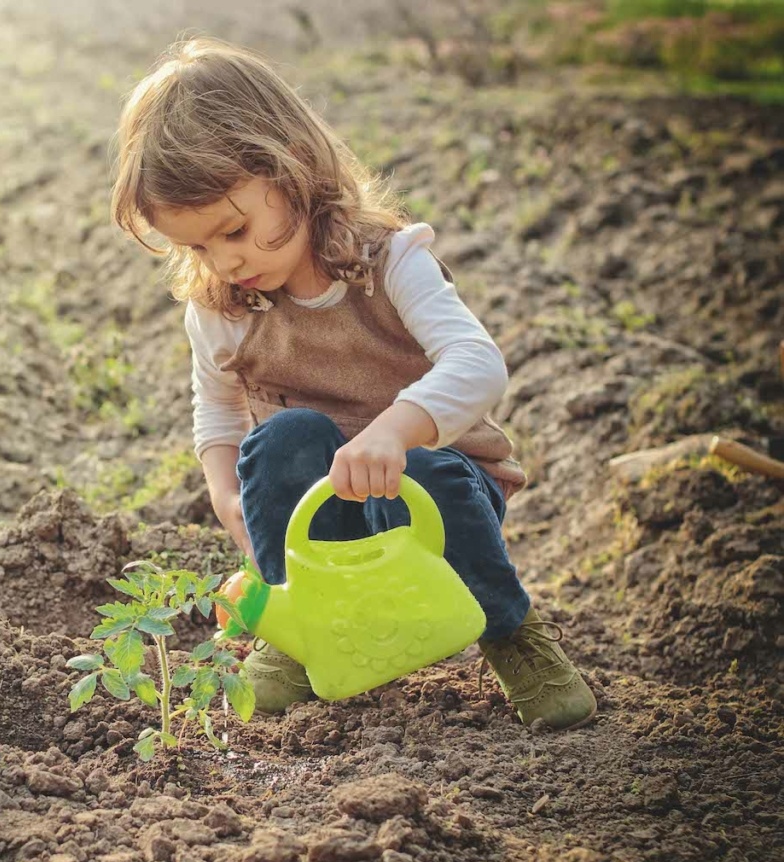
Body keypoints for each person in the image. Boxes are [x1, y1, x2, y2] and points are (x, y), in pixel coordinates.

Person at [108, 36, 596, 730]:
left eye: (236, 229)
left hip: (431, 500)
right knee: (281, 440)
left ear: (292, 169)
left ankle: (513, 635)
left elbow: (479, 362)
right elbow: (216, 412)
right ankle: (300, 633)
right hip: (319, 516)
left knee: (434, 471)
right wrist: (225, 495)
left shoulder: (390, 262)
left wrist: (395, 431)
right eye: (199, 246)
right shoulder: (222, 306)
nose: (225, 259)